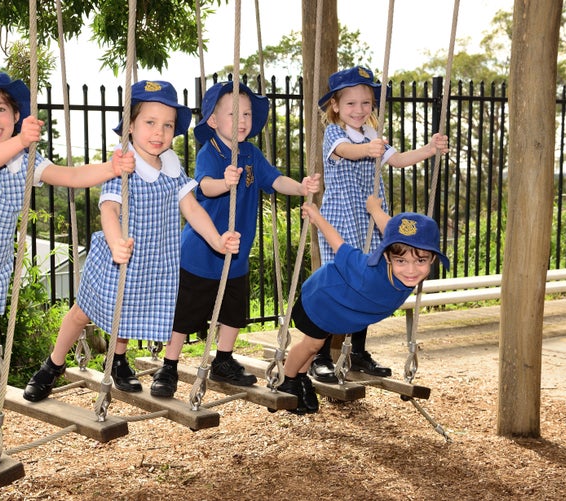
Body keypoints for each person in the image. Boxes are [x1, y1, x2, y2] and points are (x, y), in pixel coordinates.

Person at [0, 71, 135, 455]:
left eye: (0, 109)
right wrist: (20, 140)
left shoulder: (27, 159)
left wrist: (111, 168)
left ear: (17, 114)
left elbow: (70, 175)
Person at [23, 80, 240, 402]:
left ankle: (118, 360)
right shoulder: (124, 165)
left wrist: (216, 240)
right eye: (150, 123)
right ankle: (52, 365)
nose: (159, 132)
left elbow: (191, 207)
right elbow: (109, 209)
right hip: (118, 254)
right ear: (131, 126)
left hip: (153, 259)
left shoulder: (171, 166)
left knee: (126, 314)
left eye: (167, 125)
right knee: (83, 312)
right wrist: (115, 243)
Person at [149, 81, 321, 398]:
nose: (242, 120)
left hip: (237, 252)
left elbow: (275, 180)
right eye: (233, 113)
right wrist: (223, 182)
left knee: (233, 312)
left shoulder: (252, 154)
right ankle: (169, 366)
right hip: (200, 252)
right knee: (185, 315)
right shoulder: (210, 152)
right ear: (213, 121)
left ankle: (223, 360)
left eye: (246, 114)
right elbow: (203, 187)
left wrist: (300, 187)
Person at [309, 66, 449, 384]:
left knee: (368, 284)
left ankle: (357, 352)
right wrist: (368, 150)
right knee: (339, 287)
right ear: (335, 106)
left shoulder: (372, 135)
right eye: (350, 104)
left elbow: (397, 160)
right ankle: (321, 356)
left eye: (366, 103)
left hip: (371, 222)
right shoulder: (335, 134)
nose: (359, 110)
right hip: (343, 220)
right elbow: (347, 152)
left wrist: (429, 149)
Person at [276, 195, 450, 414]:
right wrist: (316, 216)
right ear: (388, 256)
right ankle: (287, 380)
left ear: (433, 258)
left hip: (342, 310)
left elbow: (389, 228)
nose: (411, 270)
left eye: (421, 261)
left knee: (316, 346)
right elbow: (339, 245)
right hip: (322, 299)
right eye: (401, 261)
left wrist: (374, 208)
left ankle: (300, 376)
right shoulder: (366, 272)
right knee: (311, 345)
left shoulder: (400, 257)